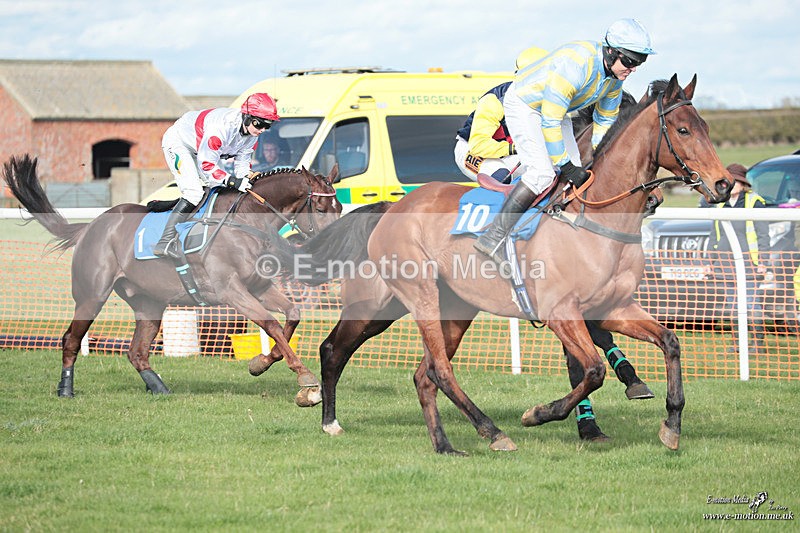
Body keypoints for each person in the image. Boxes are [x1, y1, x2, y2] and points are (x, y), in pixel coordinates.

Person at [474, 18, 656, 264]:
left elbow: (605, 120)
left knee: (577, 173)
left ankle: (555, 233)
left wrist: (598, 155)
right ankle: (493, 237)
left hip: (556, 112)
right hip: (526, 106)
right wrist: (565, 165)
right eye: (630, 61)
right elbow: (549, 121)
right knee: (543, 174)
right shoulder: (576, 65)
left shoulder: (614, 80)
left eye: (639, 63)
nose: (632, 68)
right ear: (611, 52)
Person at [153, 93, 280, 257]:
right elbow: (207, 165)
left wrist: (246, 178)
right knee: (194, 193)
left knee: (218, 188)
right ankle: (164, 241)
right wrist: (232, 180)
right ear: (247, 116)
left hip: (203, 151)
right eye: (259, 124)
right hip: (180, 144)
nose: (262, 130)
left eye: (267, 126)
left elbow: (242, 165)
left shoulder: (252, 135)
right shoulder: (221, 128)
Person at [453, 47, 547, 183]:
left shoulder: (549, 101)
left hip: (506, 153)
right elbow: (479, 145)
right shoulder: (495, 100)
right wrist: (516, 148)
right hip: (473, 151)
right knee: (502, 177)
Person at [707, 163, 770, 353]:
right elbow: (713, 235)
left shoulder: (754, 202)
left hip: (749, 263)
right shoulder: (720, 204)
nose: (731, 186)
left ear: (743, 184)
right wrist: (710, 261)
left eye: (735, 182)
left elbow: (763, 235)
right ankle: (737, 344)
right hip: (725, 264)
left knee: (751, 304)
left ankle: (757, 344)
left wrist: (764, 262)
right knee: (732, 306)